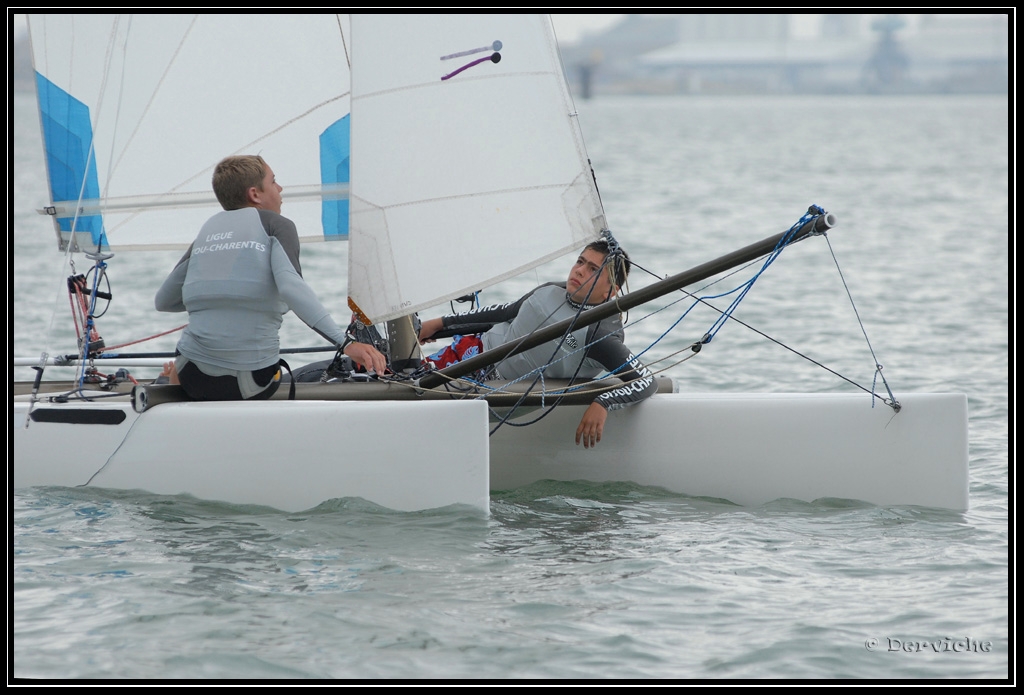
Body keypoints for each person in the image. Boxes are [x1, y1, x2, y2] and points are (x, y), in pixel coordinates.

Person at [155, 155, 386, 400]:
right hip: (249, 382)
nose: (280, 188)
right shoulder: (278, 225)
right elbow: (292, 288)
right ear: (255, 194)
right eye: (274, 181)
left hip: (191, 374)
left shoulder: (207, 232)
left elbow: (164, 301)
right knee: (328, 370)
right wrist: (346, 344)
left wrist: (216, 298)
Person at [418, 241, 657, 448]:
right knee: (404, 378)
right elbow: (505, 312)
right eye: (580, 261)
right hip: (471, 352)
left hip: (495, 389)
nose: (580, 271)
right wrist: (439, 324)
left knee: (417, 391)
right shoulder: (550, 290)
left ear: (611, 291)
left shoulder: (600, 334)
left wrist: (603, 403)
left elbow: (646, 381)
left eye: (593, 269)